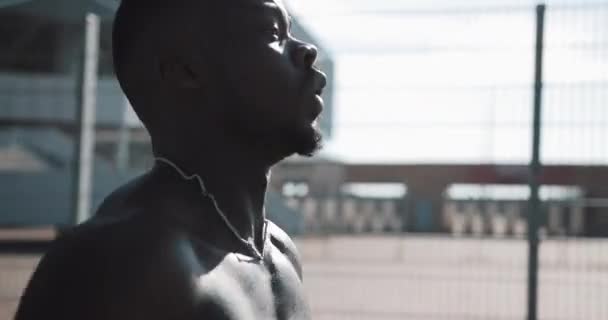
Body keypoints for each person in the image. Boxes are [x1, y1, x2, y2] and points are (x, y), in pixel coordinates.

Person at [15, 0, 326, 318]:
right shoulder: (120, 264)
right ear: (186, 72)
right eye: (274, 33)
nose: (307, 51)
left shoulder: (278, 249)